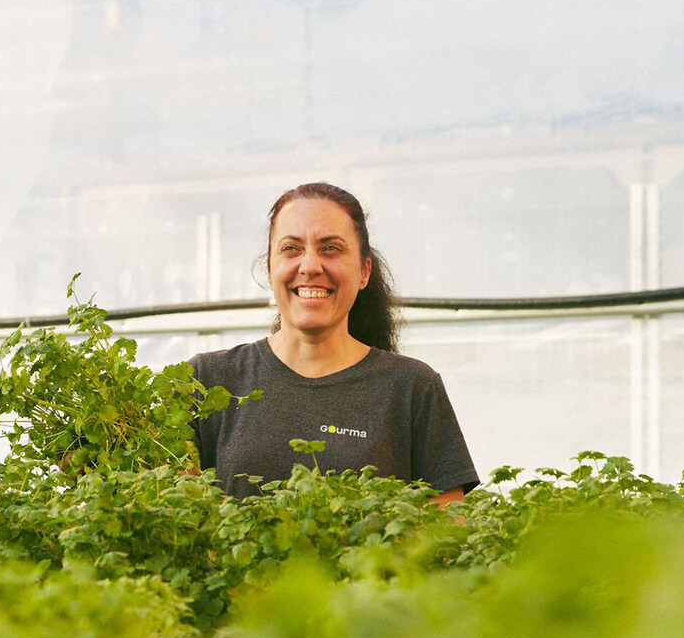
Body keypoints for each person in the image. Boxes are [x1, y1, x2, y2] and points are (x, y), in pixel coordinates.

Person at [190, 182, 479, 502]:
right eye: (291, 248)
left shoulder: (411, 388)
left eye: (331, 248)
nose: (310, 265)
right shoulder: (206, 381)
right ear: (270, 268)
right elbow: (173, 521)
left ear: (364, 271)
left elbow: (447, 535)